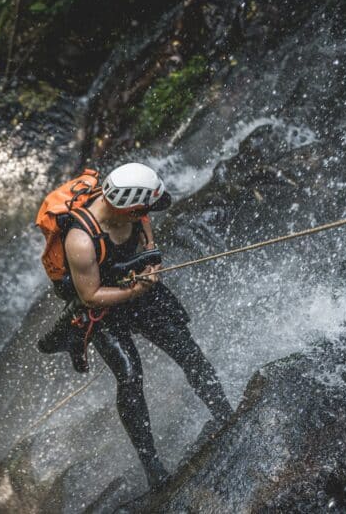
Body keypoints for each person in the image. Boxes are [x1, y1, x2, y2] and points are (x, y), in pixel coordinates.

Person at [37, 162, 233, 489]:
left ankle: (225, 413)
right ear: (124, 206)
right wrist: (137, 289)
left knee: (188, 351)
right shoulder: (80, 239)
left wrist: (151, 263)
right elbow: (91, 295)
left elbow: (147, 239)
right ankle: (151, 463)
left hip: (134, 289)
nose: (146, 214)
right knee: (129, 376)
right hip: (102, 308)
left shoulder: (134, 211)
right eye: (143, 210)